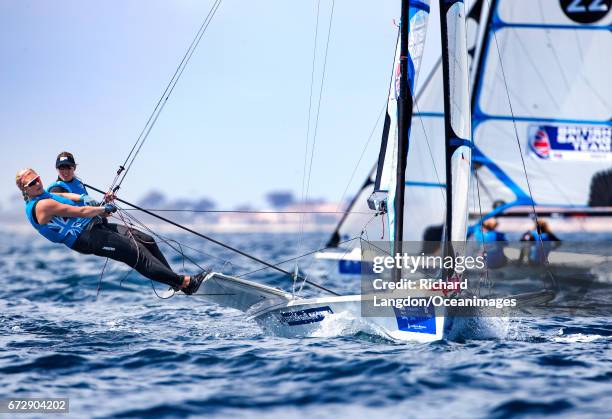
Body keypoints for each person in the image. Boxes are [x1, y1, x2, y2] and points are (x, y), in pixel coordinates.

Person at [16, 168, 205, 294]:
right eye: (31, 183)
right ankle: (186, 282)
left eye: (37, 179)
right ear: (25, 190)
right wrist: (102, 210)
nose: (37, 183)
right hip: (86, 238)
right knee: (136, 254)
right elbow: (79, 212)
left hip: (96, 226)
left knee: (145, 240)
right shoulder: (42, 205)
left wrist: (85, 197)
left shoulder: (46, 194)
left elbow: (65, 195)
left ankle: (173, 281)